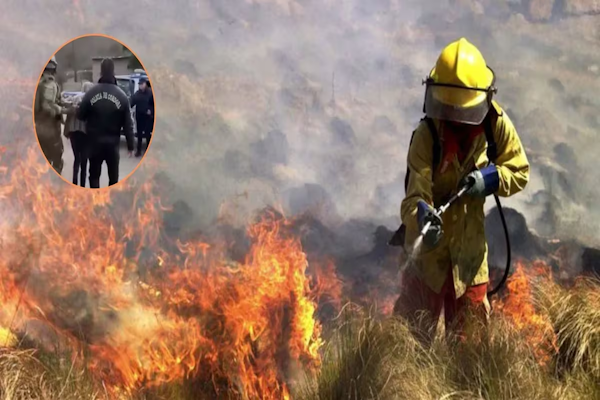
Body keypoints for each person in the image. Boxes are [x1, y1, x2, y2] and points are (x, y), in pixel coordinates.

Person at [393, 38, 530, 345]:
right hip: (426, 263)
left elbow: (519, 170)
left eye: (461, 110)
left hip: (469, 262)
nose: (454, 117)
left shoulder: (495, 125)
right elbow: (412, 199)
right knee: (410, 345)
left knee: (470, 350)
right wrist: (422, 215)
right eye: (447, 107)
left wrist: (490, 180)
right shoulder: (426, 136)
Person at [77, 58, 134, 188]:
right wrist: (130, 146)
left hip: (94, 144)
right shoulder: (122, 96)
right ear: (113, 71)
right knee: (113, 179)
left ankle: (95, 202)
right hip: (113, 146)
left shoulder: (90, 93)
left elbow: (80, 115)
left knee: (94, 177)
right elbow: (128, 125)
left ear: (101, 72)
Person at [34, 56, 68, 174]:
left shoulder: (38, 82)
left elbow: (54, 101)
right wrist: (64, 111)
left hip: (40, 127)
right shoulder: (49, 83)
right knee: (56, 159)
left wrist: (64, 104)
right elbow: (48, 106)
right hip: (50, 129)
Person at [64, 81, 94, 187]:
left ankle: (74, 182)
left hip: (74, 133)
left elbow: (67, 111)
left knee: (77, 159)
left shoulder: (74, 98)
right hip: (85, 134)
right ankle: (82, 185)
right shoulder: (91, 101)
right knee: (84, 161)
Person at [130, 77, 154, 157]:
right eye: (139, 84)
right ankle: (138, 151)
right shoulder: (137, 94)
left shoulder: (151, 93)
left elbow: (155, 105)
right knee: (139, 135)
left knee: (147, 135)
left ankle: (148, 151)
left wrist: (151, 111)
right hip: (139, 116)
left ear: (145, 84)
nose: (140, 86)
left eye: (141, 84)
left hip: (148, 117)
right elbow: (132, 102)